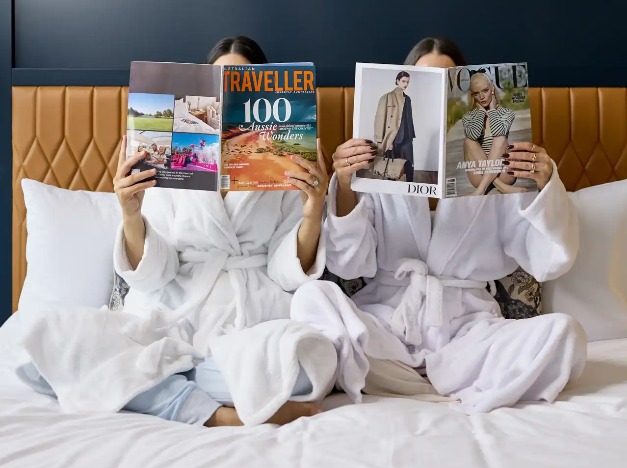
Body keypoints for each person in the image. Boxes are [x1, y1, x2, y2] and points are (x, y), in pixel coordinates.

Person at [18, 36, 331, 428]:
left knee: (309, 359)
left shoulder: (284, 167)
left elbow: (286, 273)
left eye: (243, 81)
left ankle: (172, 384)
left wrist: (313, 212)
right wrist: (131, 215)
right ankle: (218, 409)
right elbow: (155, 273)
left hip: (248, 316)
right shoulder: (168, 162)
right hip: (178, 305)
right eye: (221, 82)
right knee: (51, 343)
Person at [291, 37, 587, 413]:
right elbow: (349, 264)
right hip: (387, 323)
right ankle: (436, 384)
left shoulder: (501, 162)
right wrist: (347, 183)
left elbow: (548, 261)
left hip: (469, 330)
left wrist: (544, 185)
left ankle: (406, 381)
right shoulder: (383, 164)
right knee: (310, 300)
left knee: (565, 334)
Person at [462, 71, 522, 195]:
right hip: (479, 175)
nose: (482, 97)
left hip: (504, 173)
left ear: (492, 89)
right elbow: (473, 134)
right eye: (476, 93)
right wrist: (481, 112)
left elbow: (498, 131)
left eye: (485, 90)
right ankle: (500, 187)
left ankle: (483, 189)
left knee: (500, 139)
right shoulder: (468, 117)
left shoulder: (507, 113)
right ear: (472, 95)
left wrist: (492, 110)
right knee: (468, 141)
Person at [373, 71, 416, 182]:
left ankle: (410, 186)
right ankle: (391, 189)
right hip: (393, 137)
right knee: (391, 165)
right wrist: (381, 140)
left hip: (406, 137)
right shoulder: (386, 98)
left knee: (409, 163)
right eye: (403, 81)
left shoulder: (408, 99)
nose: (405, 84)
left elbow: (409, 119)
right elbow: (379, 119)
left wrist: (411, 135)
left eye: (407, 82)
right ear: (397, 81)